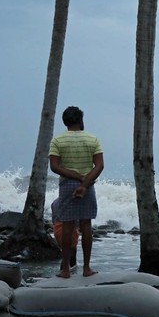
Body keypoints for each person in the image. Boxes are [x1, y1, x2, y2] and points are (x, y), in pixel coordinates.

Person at [49, 106, 104, 278]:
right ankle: (86, 268)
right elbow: (99, 165)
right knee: (86, 225)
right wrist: (84, 184)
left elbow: (55, 167)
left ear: (65, 122)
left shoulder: (57, 140)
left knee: (67, 225)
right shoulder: (92, 139)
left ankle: (65, 269)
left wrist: (75, 177)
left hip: (66, 185)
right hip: (88, 185)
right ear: (81, 120)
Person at [50, 198, 80, 270]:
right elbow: (76, 220)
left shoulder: (55, 202)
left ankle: (69, 269)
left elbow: (53, 219)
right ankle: (66, 270)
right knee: (69, 253)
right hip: (69, 228)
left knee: (66, 251)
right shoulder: (74, 202)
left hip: (57, 229)